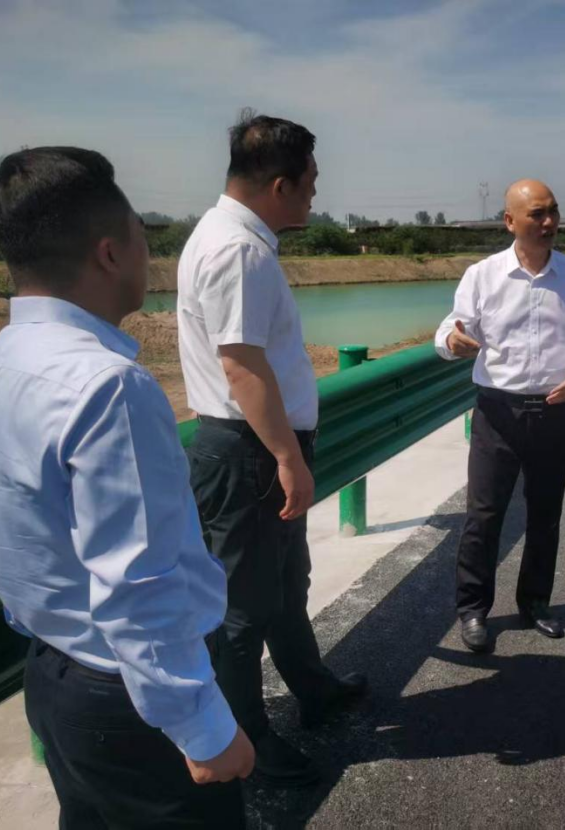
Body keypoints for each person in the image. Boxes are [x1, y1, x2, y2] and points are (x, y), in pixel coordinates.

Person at [0, 147, 252, 827]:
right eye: (141, 235)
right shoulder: (109, 387)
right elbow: (139, 583)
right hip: (129, 700)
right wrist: (204, 728)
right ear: (109, 252)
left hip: (53, 675)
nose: (148, 254)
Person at [177, 111, 365, 789]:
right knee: (243, 607)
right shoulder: (239, 250)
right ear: (280, 185)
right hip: (250, 452)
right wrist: (288, 458)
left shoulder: (227, 236)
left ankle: (313, 688)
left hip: (255, 447)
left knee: (284, 586)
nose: (315, 193)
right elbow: (242, 366)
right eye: (310, 181)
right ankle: (247, 739)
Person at [435, 179, 565, 652]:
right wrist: (451, 340)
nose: (549, 222)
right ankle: (473, 610)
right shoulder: (483, 275)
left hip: (552, 410)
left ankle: (535, 602)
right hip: (498, 411)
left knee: (545, 513)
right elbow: (450, 328)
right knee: (483, 515)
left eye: (553, 211)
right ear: (510, 221)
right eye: (537, 214)